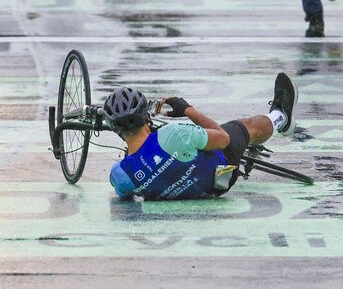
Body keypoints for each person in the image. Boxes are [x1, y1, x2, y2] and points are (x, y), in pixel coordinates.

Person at [106, 73, 298, 200]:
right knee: (246, 127)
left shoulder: (120, 175)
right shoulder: (173, 134)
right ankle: (281, 117)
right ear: (146, 116)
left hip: (208, 190)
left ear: (115, 129)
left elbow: (127, 194)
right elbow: (223, 139)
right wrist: (188, 110)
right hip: (221, 170)